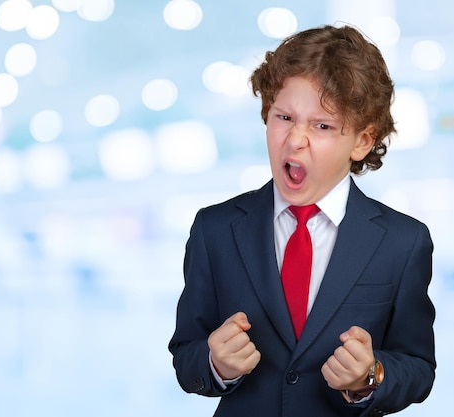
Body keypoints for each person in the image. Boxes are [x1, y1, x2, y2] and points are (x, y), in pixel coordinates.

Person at [168, 24, 435, 417]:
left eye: (322, 126)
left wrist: (370, 376)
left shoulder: (403, 242)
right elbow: (185, 355)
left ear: (362, 140)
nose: (294, 140)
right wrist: (215, 364)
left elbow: (418, 369)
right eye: (284, 117)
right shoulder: (215, 229)